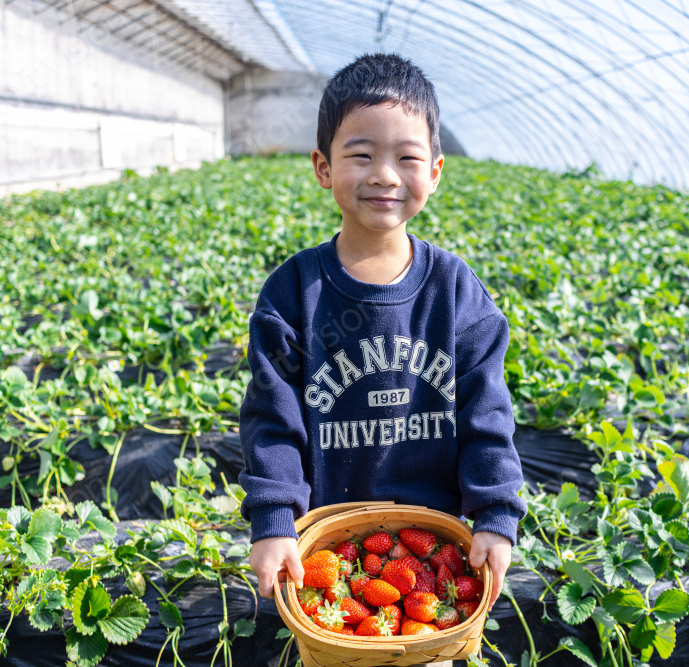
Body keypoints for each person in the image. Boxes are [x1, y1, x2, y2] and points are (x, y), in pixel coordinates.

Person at [237, 52, 528, 651]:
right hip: (327, 547)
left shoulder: (455, 292)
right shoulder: (294, 292)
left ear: (437, 171)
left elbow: (486, 412)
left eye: (407, 158)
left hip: (439, 545)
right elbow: (273, 419)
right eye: (362, 155)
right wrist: (272, 522)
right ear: (323, 166)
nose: (385, 175)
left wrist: (496, 514)